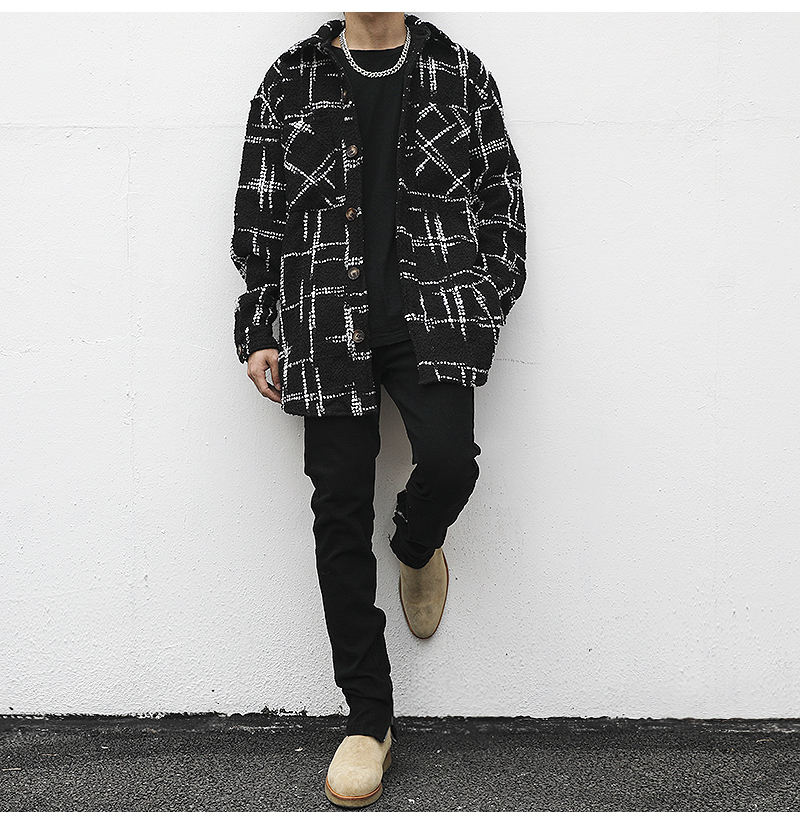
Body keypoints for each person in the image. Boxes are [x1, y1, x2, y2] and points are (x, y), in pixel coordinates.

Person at [230, 11, 526, 808]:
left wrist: (483, 303)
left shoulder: (458, 72)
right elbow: (260, 213)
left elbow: (501, 199)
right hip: (325, 320)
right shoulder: (291, 78)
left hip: (433, 315)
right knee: (338, 510)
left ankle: (416, 542)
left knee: (450, 464)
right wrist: (261, 325)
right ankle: (369, 720)